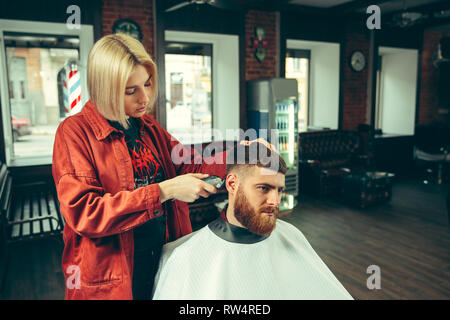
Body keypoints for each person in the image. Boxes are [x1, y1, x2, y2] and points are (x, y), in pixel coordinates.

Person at [52, 33, 266, 300]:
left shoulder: (148, 127)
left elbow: (191, 163)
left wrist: (241, 154)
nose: (145, 98)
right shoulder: (74, 133)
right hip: (114, 279)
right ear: (106, 88)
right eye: (131, 91)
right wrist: (164, 191)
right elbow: (85, 213)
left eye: (148, 84)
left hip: (163, 259)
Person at [152, 143, 353, 299]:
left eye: (279, 190)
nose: (275, 202)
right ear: (232, 184)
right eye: (263, 188)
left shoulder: (292, 236)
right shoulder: (185, 257)